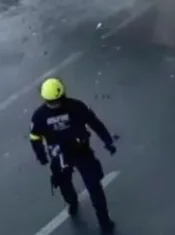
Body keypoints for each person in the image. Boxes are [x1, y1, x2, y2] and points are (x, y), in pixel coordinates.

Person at [29, 77, 118, 233]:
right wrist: (40, 154)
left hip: (81, 152)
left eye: (56, 101)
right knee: (64, 184)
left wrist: (107, 141)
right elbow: (35, 136)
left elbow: (94, 123)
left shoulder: (76, 107)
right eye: (50, 102)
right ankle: (72, 202)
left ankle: (105, 222)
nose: (54, 105)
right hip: (60, 156)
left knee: (95, 188)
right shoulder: (39, 116)